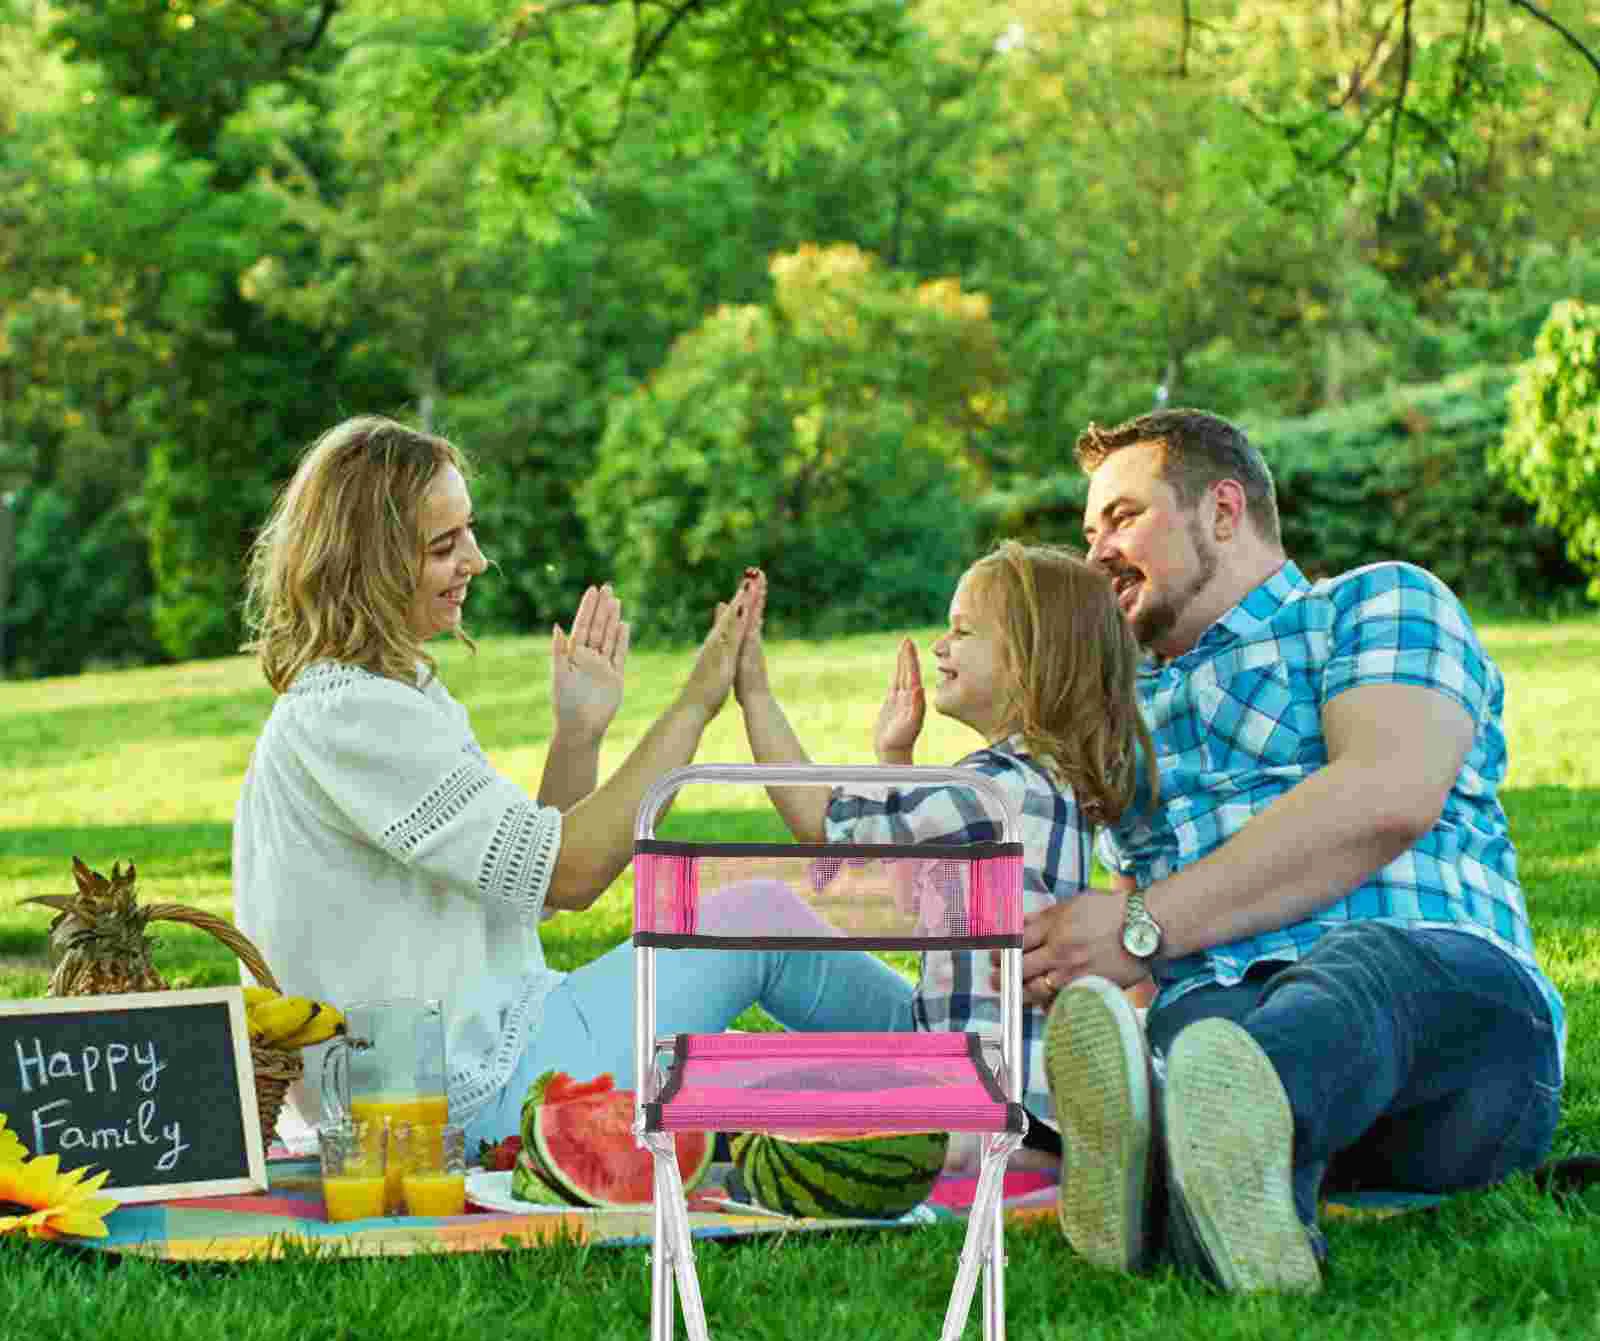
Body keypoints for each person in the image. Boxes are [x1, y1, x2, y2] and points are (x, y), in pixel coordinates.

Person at [230, 415, 940, 1153]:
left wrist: (578, 734)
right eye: (443, 546)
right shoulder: (353, 717)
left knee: (756, 1057)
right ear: (369, 564)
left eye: (467, 532)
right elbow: (570, 873)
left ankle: (960, 1070)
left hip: (481, 1069)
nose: (475, 558)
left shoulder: (382, 696)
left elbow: (525, 889)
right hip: (460, 1105)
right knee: (755, 916)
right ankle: (982, 1061)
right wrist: (697, 701)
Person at [1018, 407, 1565, 1294]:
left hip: (1452, 1031)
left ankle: (1181, 1158)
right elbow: (1117, 913)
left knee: (1365, 968)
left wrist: (1144, 924)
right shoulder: (1126, 719)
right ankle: (1238, 1204)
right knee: (1201, 1027)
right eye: (1087, 532)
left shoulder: (1376, 602)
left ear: (1224, 510)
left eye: (1122, 518)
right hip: (1228, 1021)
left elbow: (1385, 797)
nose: (1096, 554)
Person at [732, 545, 1156, 1153]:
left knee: (792, 1109)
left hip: (979, 1095)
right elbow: (906, 897)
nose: (940, 645)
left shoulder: (990, 791)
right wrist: (895, 761)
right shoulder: (1041, 781)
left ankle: (1019, 1160)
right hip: (996, 1078)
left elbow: (822, 823)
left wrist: (756, 696)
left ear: (1030, 661)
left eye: (963, 631)